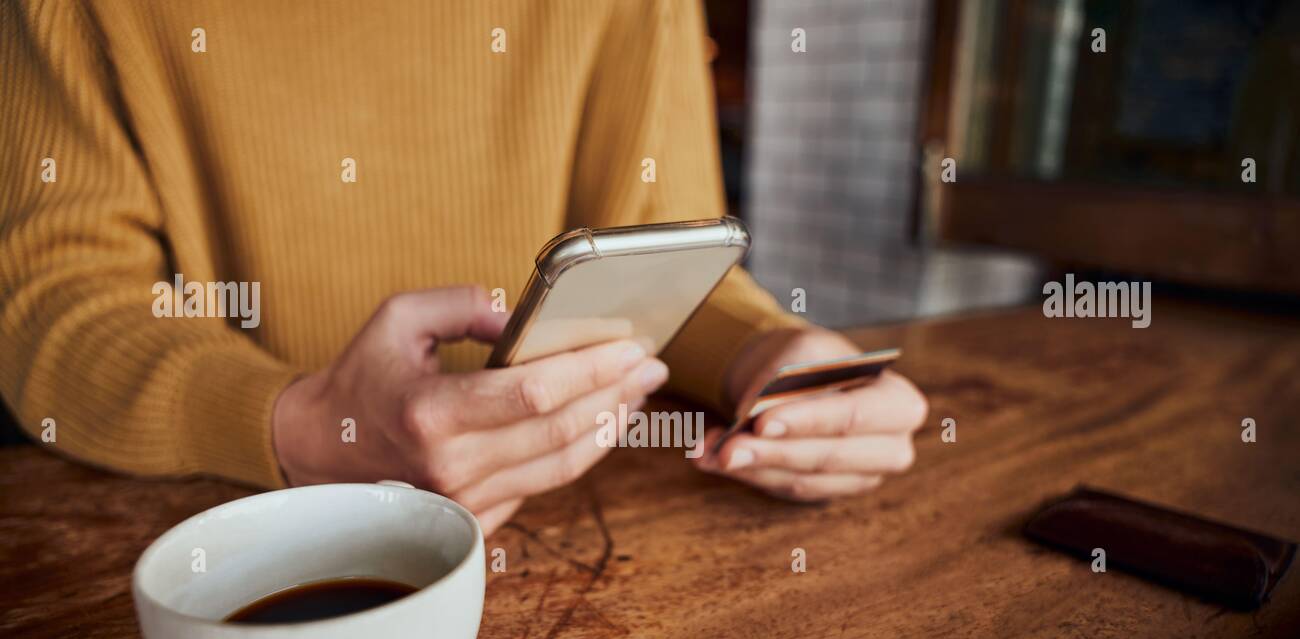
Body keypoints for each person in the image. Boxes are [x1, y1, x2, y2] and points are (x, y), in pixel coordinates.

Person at [0, 0, 926, 534]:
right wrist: (300, 423)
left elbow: (667, 256)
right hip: (224, 542)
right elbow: (58, 296)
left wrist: (770, 356)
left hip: (576, 530)